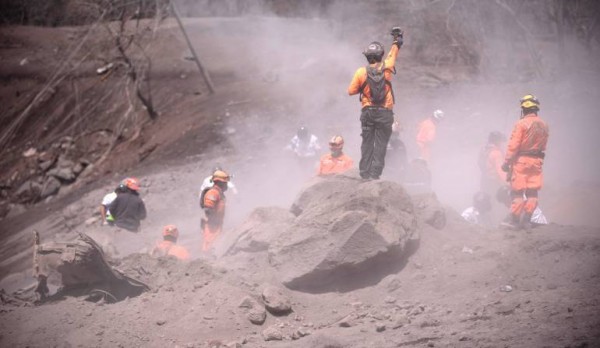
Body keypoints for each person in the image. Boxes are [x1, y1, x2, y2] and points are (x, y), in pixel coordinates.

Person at [348, 28, 402, 180]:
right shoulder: (387, 66)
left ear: (367, 57)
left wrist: (363, 87)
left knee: (367, 142)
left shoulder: (360, 72)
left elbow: (351, 91)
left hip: (368, 112)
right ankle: (375, 174)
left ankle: (364, 173)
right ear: (380, 55)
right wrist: (397, 39)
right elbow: (394, 52)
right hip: (385, 112)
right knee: (381, 143)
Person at [501, 94, 549, 230]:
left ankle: (514, 222)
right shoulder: (544, 125)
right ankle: (527, 220)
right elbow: (543, 145)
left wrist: (506, 162)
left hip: (521, 162)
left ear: (524, 108)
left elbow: (513, 145)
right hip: (537, 162)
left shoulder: (521, 123)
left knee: (517, 192)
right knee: (532, 192)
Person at [201, 170, 229, 252]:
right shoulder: (213, 193)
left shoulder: (219, 194)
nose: (226, 185)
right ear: (220, 183)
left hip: (217, 226)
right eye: (225, 182)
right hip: (212, 228)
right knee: (210, 248)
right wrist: (214, 221)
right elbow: (208, 209)